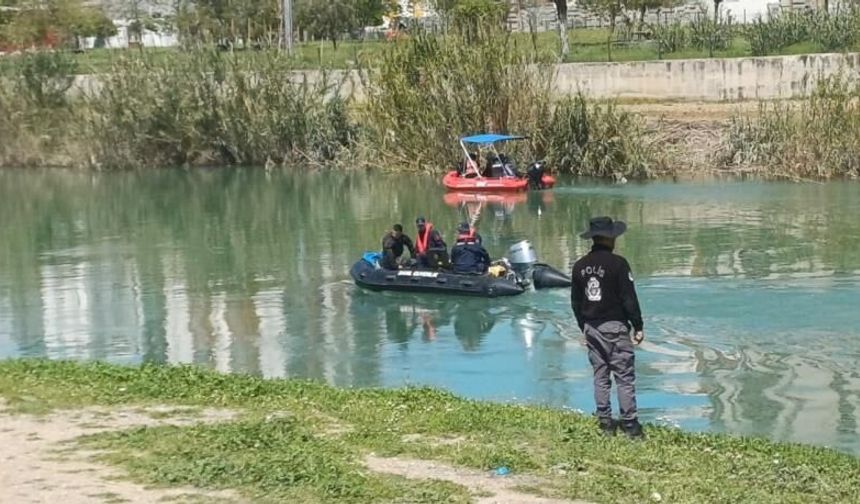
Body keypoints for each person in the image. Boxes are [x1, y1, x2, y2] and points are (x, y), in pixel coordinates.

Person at [571, 216, 645, 439]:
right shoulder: (619, 264)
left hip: (591, 326)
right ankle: (630, 424)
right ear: (610, 238)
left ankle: (605, 422)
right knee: (623, 375)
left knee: (600, 375)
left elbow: (576, 302)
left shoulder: (580, 266)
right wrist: (638, 325)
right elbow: (628, 298)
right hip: (615, 326)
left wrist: (583, 326)